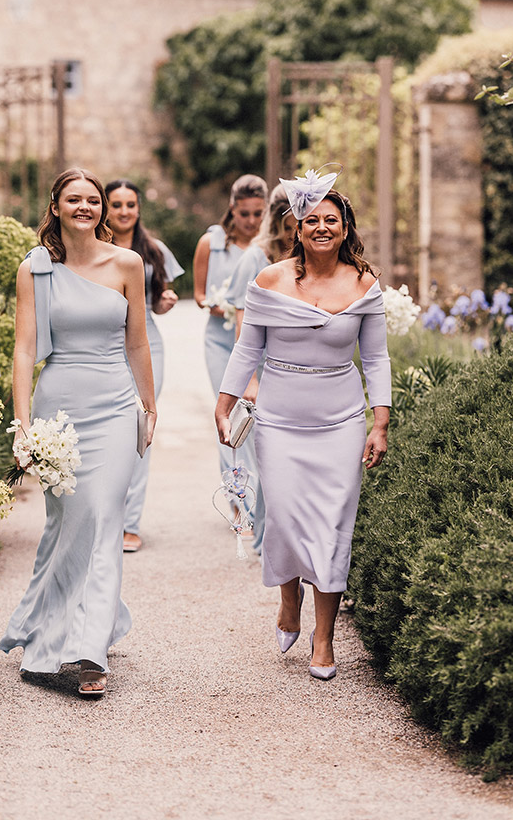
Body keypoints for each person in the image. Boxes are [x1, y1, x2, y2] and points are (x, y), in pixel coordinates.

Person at [215, 167, 390, 680]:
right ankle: (288, 594)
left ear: (345, 227)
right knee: (287, 518)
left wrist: (378, 424)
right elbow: (248, 348)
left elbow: (375, 361)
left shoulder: (364, 284)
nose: (321, 227)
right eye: (311, 219)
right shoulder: (269, 281)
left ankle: (324, 637)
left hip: (340, 421)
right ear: (296, 227)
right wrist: (224, 403)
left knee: (333, 526)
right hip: (279, 420)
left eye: (330, 220)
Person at [0, 168, 156, 698]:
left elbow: (137, 343)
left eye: (94, 200)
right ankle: (48, 632)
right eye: (75, 199)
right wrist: (22, 424)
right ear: (57, 207)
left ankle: (87, 651)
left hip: (114, 405)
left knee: (104, 514)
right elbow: (23, 349)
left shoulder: (128, 264)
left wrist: (149, 404)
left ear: (104, 209)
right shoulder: (35, 269)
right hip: (57, 410)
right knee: (68, 524)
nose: (86, 207)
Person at [105, 179, 184, 554]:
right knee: (105, 431)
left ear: (138, 209)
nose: (123, 211)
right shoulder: (93, 249)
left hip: (147, 344)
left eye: (130, 205)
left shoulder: (153, 250)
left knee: (140, 430)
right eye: (116, 204)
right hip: (101, 344)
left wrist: (164, 302)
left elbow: (156, 301)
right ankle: (104, 519)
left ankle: (130, 524)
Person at [223, 183, 297, 552]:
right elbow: (242, 319)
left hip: (294, 368)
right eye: (288, 228)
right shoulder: (255, 258)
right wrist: (248, 376)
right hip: (263, 366)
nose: (293, 236)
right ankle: (264, 537)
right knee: (265, 454)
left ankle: (280, 536)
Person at [193, 174, 267, 477]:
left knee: (258, 415)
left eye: (258, 214)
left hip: (258, 345)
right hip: (220, 342)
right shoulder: (211, 243)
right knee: (230, 414)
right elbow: (198, 293)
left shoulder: (268, 248)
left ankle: (259, 489)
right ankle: (238, 499)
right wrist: (212, 304)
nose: (251, 221)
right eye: (244, 213)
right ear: (232, 209)